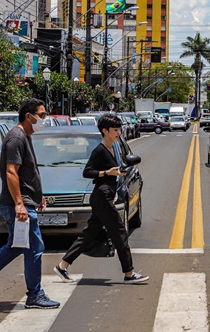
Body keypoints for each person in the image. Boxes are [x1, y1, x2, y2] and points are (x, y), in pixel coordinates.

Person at [0, 98, 59, 309]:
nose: (44, 119)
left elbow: (27, 173)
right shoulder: (16, 138)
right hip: (19, 205)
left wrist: (38, 196)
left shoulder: (24, 136)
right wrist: (20, 204)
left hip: (25, 202)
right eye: (42, 115)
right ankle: (34, 295)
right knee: (35, 249)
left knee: (16, 247)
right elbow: (11, 172)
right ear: (29, 116)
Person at [54, 114, 149, 285]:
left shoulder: (114, 148)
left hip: (106, 196)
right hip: (101, 197)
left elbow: (112, 170)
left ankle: (62, 266)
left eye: (119, 129)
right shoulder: (99, 150)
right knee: (120, 233)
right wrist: (107, 173)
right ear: (105, 131)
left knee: (89, 235)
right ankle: (129, 274)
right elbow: (87, 171)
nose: (119, 133)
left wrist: (118, 173)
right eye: (115, 130)